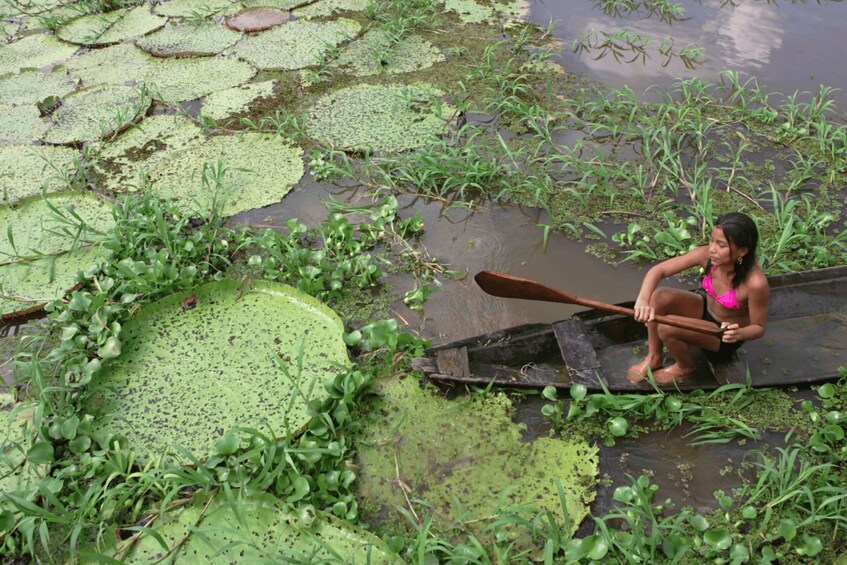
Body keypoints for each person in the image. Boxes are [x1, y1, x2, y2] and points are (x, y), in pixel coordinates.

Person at [627, 212, 769, 384]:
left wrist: (738, 333)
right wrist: (642, 300)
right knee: (659, 296)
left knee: (666, 326)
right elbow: (659, 271)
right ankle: (654, 356)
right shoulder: (706, 256)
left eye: (721, 245)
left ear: (743, 250)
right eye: (712, 241)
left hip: (721, 335)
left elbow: (758, 327)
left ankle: (684, 367)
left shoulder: (755, 283)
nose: (712, 249)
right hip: (704, 310)